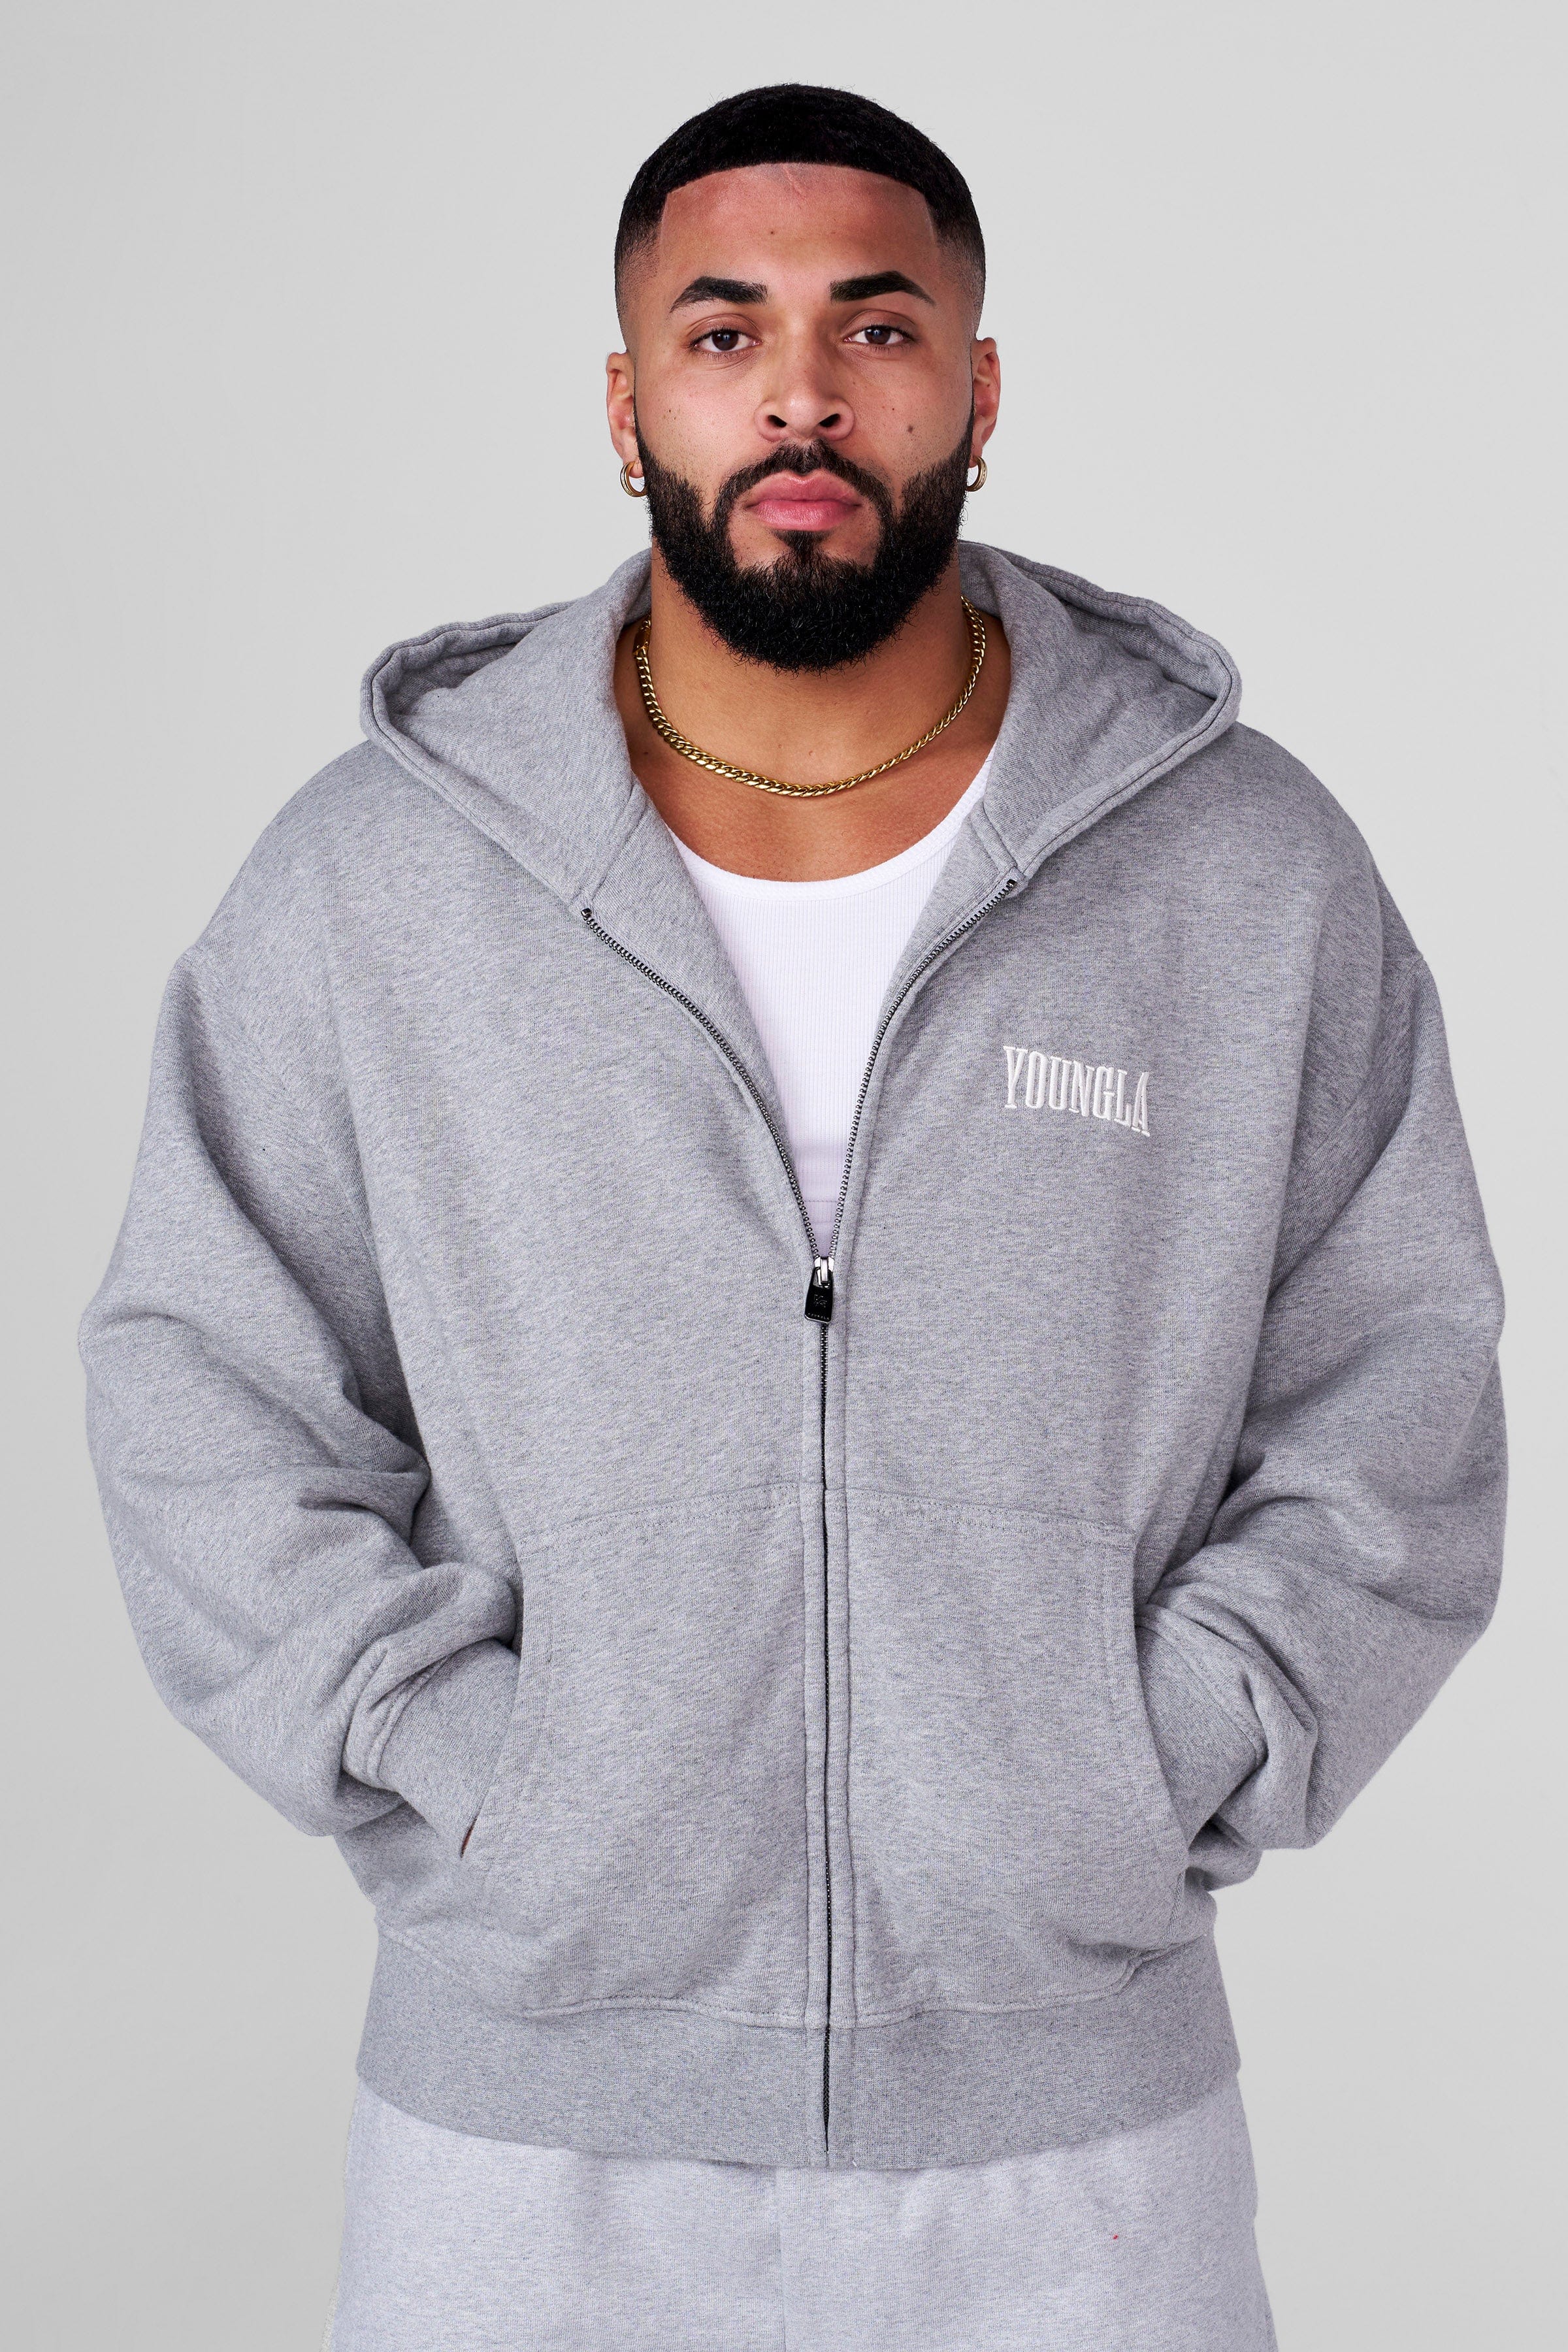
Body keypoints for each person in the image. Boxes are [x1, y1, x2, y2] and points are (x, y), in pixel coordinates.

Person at [80, 83, 1505, 2352]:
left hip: (1079, 2150)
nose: (804, 395)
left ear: (981, 388)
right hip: (520, 2148)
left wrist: (1149, 1763)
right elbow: (201, 1388)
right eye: (724, 332)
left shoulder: (1242, 876)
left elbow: (1398, 1396)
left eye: (880, 325)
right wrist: (478, 1773)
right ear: (626, 400)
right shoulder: (380, 881)